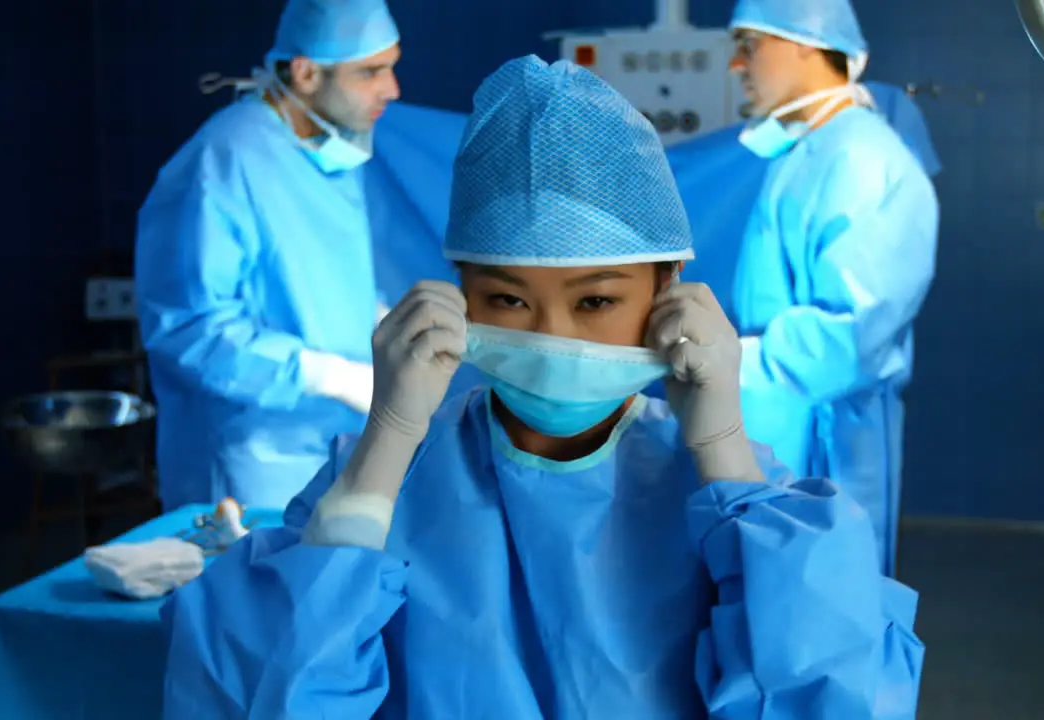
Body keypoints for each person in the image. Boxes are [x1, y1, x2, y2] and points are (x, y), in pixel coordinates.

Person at [160, 55, 924, 719]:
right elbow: (270, 696)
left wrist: (725, 458)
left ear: (668, 292)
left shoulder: (743, 509)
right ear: (457, 295)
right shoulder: (385, 488)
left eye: (596, 301)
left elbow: (824, 699)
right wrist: (383, 453)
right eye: (508, 300)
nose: (554, 337)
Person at [135, 0, 401, 511]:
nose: (391, 89)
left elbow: (318, 281)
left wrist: (383, 324)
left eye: (392, 66)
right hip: (251, 466)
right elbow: (191, 331)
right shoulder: (223, 162)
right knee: (253, 587)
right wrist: (333, 377)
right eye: (371, 71)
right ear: (305, 73)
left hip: (335, 447)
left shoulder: (330, 158)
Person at [726, 0, 940, 577]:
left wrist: (725, 365)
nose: (735, 65)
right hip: (778, 434)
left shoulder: (866, 161)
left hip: (828, 450)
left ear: (804, 42)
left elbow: (849, 336)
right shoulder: (804, 153)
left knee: (825, 620)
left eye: (749, 45)